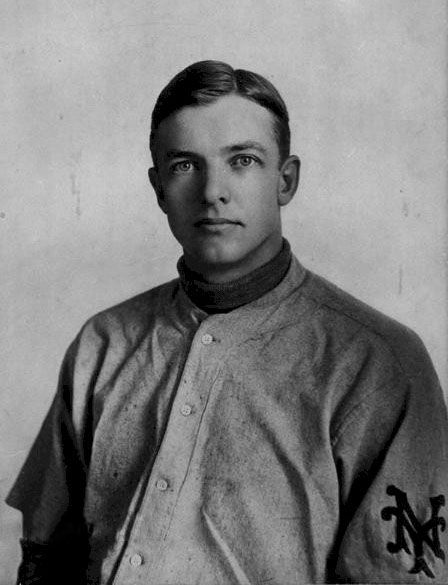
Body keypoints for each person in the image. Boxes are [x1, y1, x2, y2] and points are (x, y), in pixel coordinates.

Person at [7, 60, 448, 584]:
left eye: (242, 160)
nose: (213, 190)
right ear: (158, 188)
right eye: (185, 165)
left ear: (285, 181)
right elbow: (45, 558)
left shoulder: (379, 363)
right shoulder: (102, 343)